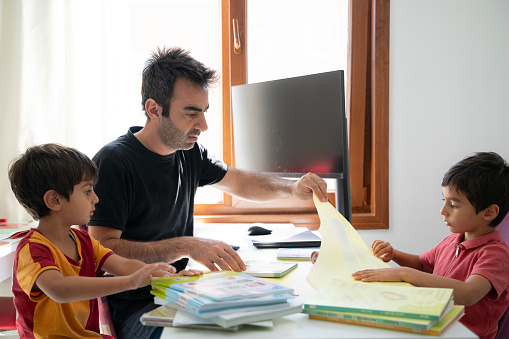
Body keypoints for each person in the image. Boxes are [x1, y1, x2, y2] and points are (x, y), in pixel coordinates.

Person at [87, 46, 329, 338]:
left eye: (203, 112)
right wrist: (187, 246)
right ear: (154, 109)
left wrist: (292, 188)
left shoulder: (188, 152)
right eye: (191, 113)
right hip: (140, 308)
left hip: (183, 291)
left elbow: (240, 182)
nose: (203, 125)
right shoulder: (114, 162)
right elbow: (102, 249)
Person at [8, 144, 201, 339]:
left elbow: (124, 265)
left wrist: (170, 279)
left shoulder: (84, 241)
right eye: (87, 191)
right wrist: (129, 283)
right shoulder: (32, 250)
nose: (96, 199)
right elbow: (61, 289)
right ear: (55, 200)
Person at [352, 152, 509, 339]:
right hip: (434, 325)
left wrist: (404, 274)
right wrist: (394, 254)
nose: (443, 211)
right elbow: (423, 265)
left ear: (489, 212)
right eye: (445, 201)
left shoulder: (496, 255)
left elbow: (469, 293)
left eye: (454, 205)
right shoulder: (452, 241)